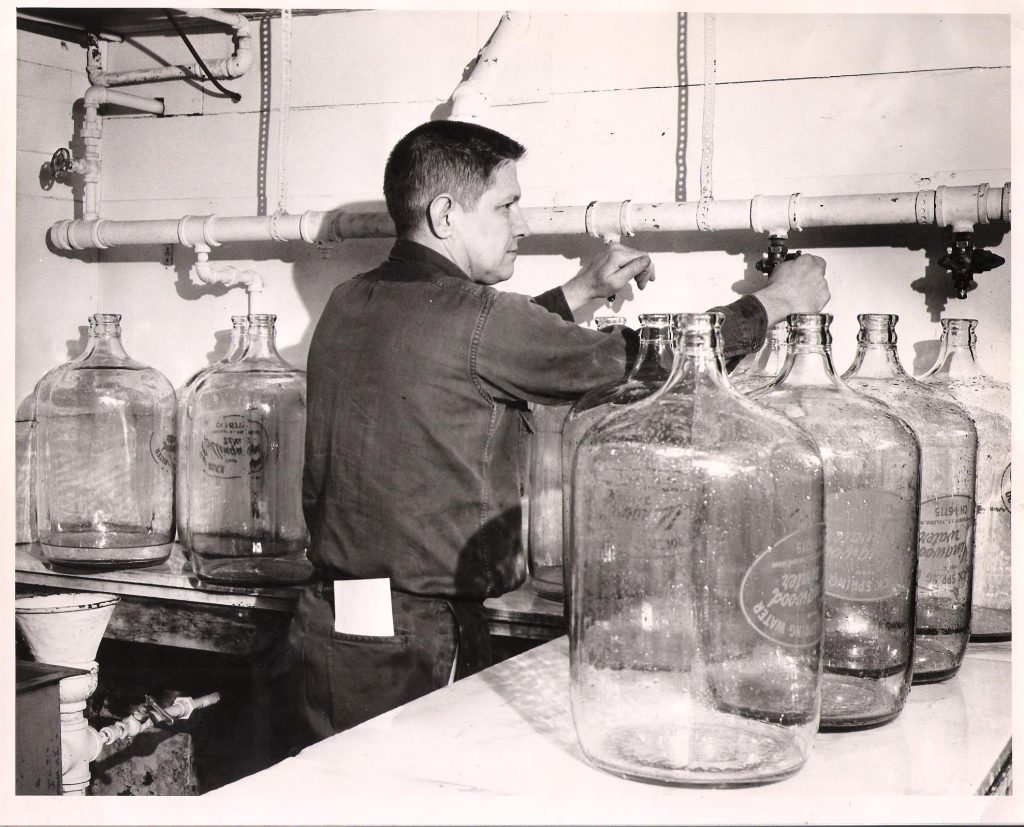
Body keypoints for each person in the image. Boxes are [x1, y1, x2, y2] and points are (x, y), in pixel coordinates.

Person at [287, 119, 829, 749]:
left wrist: (583, 291)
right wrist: (776, 303)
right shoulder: (478, 320)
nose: (522, 227)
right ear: (444, 215)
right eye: (507, 205)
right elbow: (640, 362)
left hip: (331, 627)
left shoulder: (350, 301)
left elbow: (471, 346)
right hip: (415, 641)